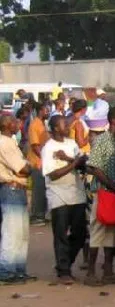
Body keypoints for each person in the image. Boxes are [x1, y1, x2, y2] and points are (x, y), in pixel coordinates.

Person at [84, 107, 115, 287]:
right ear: (113, 120)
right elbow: (94, 167)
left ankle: (108, 272)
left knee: (112, 232)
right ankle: (90, 273)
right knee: (98, 231)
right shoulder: (102, 140)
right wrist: (114, 185)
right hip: (103, 191)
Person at [42, 115, 88, 285]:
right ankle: (64, 271)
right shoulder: (48, 148)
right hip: (59, 195)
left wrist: (71, 160)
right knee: (61, 234)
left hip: (77, 194)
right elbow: (53, 175)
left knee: (80, 233)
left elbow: (83, 163)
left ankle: (64, 263)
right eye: (64, 124)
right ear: (55, 128)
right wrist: (74, 163)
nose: (68, 126)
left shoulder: (71, 144)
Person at [0, 115, 34, 285]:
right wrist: (27, 167)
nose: (18, 124)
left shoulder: (10, 141)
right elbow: (23, 169)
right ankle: (6, 271)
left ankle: (18, 271)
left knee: (21, 234)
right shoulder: (4, 142)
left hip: (16, 188)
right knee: (12, 232)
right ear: (7, 125)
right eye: (14, 122)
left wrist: (26, 167)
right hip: (11, 188)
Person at [28, 102, 51, 226]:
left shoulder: (42, 124)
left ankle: (41, 214)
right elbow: (35, 146)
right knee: (38, 190)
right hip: (37, 162)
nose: (48, 112)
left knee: (43, 189)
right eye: (46, 110)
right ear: (40, 111)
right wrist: (44, 157)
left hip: (43, 162)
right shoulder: (34, 124)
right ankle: (37, 216)